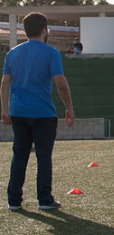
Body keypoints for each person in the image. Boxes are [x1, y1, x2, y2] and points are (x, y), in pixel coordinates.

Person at [1, 12, 75, 211]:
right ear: (44, 30)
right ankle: (44, 199)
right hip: (42, 114)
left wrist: (5, 109)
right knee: (43, 157)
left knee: (20, 156)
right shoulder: (50, 53)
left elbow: (5, 82)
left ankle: (14, 201)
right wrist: (69, 108)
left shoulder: (12, 53)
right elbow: (60, 83)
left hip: (18, 112)